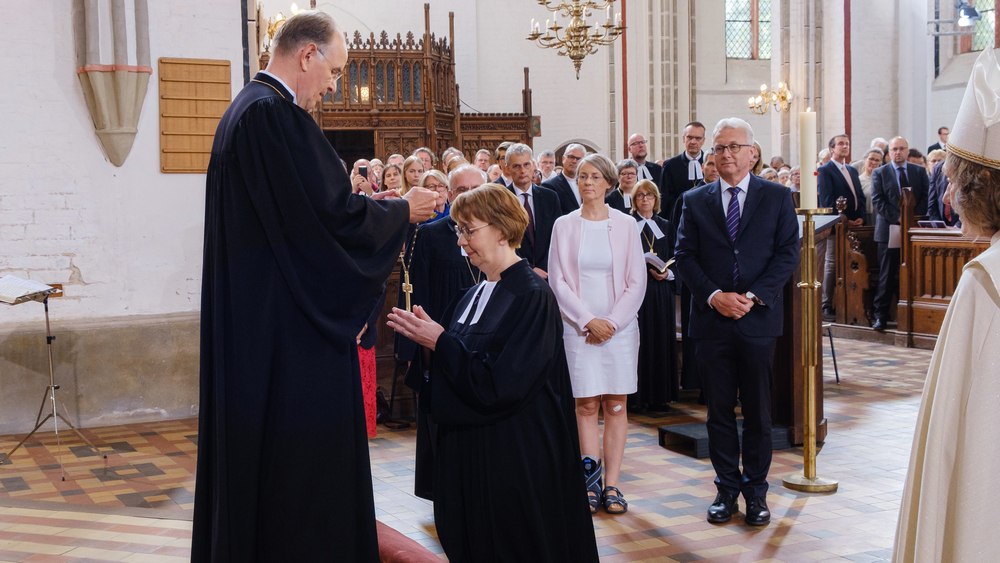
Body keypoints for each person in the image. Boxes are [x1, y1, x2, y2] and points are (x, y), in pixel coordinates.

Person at [193, 11, 438, 562]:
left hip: (256, 324)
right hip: (288, 338)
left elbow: (307, 216)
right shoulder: (274, 117)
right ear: (308, 55)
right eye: (335, 70)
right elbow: (329, 223)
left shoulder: (242, 111)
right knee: (298, 472)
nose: (334, 85)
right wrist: (402, 211)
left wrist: (375, 209)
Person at [389, 184, 600, 563]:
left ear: (502, 230)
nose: (460, 242)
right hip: (471, 456)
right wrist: (429, 348)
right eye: (458, 230)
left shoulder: (533, 295)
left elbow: (505, 383)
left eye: (468, 230)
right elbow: (450, 372)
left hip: (514, 459)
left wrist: (441, 342)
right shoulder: (470, 295)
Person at [894, 48, 1000, 561]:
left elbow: (963, 437)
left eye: (956, 180)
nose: (949, 193)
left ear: (984, 189)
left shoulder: (985, 281)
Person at [674, 117, 800, 527]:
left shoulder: (777, 197)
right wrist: (714, 296)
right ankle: (726, 490)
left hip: (757, 319)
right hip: (712, 322)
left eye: (733, 147)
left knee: (760, 413)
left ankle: (757, 492)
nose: (725, 154)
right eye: (719, 148)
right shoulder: (695, 200)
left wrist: (751, 296)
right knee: (719, 413)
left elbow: (788, 253)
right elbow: (684, 255)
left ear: (752, 153)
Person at [549, 153, 647, 515]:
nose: (587, 182)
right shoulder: (564, 225)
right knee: (587, 405)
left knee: (616, 404)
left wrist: (612, 323)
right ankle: (589, 483)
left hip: (619, 329)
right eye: (581, 176)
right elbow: (558, 280)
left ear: (608, 182)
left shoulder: (625, 224)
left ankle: (613, 485)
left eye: (594, 176)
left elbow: (636, 281)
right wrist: (588, 320)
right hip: (578, 328)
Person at [405, 165, 485, 501]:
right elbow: (418, 293)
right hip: (439, 340)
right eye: (461, 189)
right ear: (449, 195)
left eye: (475, 187)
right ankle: (443, 489)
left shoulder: (498, 233)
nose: (468, 194)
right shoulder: (431, 234)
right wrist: (420, 347)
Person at [870, 136, 929, 331]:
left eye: (902, 148)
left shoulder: (918, 171)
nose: (898, 152)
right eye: (894, 149)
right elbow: (877, 201)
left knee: (916, 272)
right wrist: (899, 217)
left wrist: (911, 218)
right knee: (887, 274)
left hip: (913, 229)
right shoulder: (880, 173)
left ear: (907, 151)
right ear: (889, 153)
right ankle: (881, 316)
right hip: (889, 230)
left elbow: (925, 196)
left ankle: (917, 315)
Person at [630, 179, 678, 413]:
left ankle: (660, 397)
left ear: (656, 199)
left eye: (649, 195)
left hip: (661, 291)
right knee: (639, 342)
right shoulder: (628, 224)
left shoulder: (666, 225)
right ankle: (636, 398)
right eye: (640, 195)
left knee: (661, 340)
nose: (645, 199)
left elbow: (678, 255)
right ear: (634, 200)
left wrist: (668, 273)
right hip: (636, 292)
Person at [818, 134, 868, 321]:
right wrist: (843, 220)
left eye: (847, 143)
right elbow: (827, 200)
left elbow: (860, 197)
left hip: (855, 225)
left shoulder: (852, 170)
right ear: (832, 149)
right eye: (840, 144)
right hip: (836, 226)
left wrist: (861, 218)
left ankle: (849, 302)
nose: (845, 146)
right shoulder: (825, 170)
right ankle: (826, 303)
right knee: (831, 262)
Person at [506, 143, 561, 279]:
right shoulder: (500, 200)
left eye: (526, 164)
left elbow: (557, 236)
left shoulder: (550, 197)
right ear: (508, 169)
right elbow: (501, 240)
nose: (522, 170)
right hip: (515, 273)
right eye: (516, 166)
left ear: (533, 165)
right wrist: (528, 268)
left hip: (548, 273)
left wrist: (544, 267)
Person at [661, 121, 707, 219]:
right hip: (678, 218)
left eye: (698, 138)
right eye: (689, 137)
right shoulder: (670, 165)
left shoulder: (711, 164)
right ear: (683, 138)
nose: (693, 142)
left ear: (703, 140)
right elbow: (665, 200)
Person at [543, 143, 586, 214]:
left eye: (579, 159)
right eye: (571, 157)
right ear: (563, 158)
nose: (574, 161)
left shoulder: (587, 184)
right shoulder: (550, 186)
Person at [927, 159, 961, 226]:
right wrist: (937, 225)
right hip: (943, 222)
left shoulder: (966, 165)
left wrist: (957, 226)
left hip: (962, 224)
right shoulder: (938, 167)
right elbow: (932, 200)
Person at [858, 148, 884, 225]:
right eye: (871, 159)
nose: (874, 162)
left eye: (877, 160)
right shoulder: (858, 180)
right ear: (864, 159)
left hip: (881, 217)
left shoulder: (884, 180)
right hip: (865, 218)